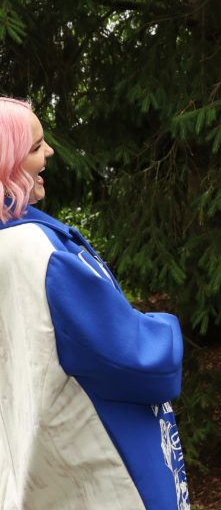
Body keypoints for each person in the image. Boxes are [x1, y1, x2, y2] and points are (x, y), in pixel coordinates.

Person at [0, 97, 190, 509]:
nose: (49, 152)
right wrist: (162, 325)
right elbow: (134, 360)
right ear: (6, 165)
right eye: (34, 147)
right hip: (91, 467)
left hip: (24, 464)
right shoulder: (38, 252)